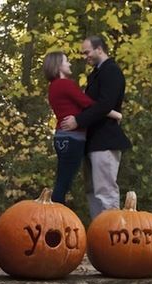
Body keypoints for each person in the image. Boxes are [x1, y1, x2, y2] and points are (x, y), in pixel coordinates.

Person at [60, 35, 132, 219]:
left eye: (87, 52)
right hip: (91, 142)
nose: (85, 56)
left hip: (105, 141)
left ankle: (112, 238)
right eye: (83, 53)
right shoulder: (95, 74)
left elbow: (104, 104)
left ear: (99, 49)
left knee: (106, 191)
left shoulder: (111, 71)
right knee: (92, 192)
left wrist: (78, 121)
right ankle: (99, 237)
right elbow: (89, 103)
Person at [42, 51, 122, 205]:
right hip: (72, 138)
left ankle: (53, 211)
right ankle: (53, 214)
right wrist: (115, 115)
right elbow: (89, 104)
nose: (70, 64)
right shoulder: (65, 84)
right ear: (58, 65)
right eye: (66, 61)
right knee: (64, 181)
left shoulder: (53, 87)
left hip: (62, 137)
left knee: (63, 178)